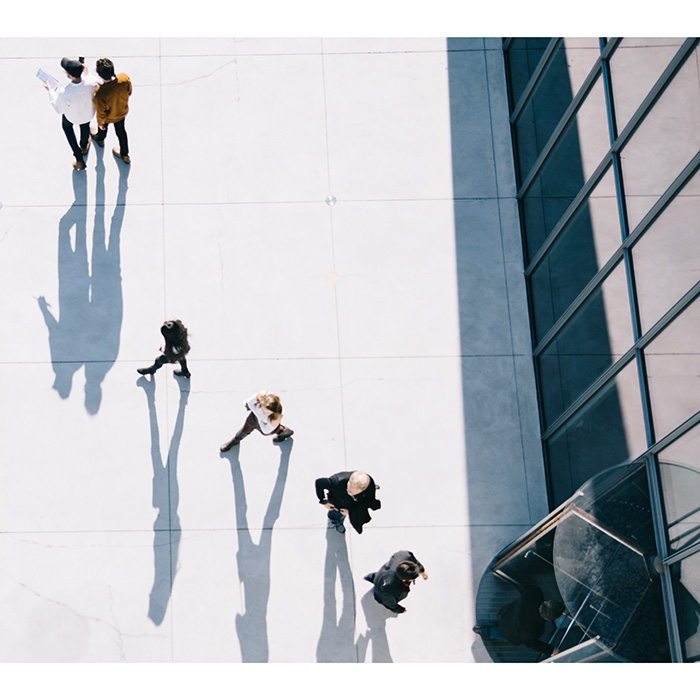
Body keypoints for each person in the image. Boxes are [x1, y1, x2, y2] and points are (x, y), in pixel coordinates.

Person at [473, 584, 565, 657]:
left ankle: (487, 626)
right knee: (496, 632)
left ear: (545, 602)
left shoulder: (535, 593)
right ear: (550, 619)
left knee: (501, 621)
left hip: (508, 613)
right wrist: (550, 650)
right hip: (510, 632)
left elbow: (524, 587)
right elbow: (530, 642)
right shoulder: (534, 629)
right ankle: (482, 631)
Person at [44, 57, 100, 170]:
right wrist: (87, 72)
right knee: (85, 126)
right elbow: (94, 81)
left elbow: (58, 109)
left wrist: (50, 90)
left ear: (69, 74)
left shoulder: (65, 92)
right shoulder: (91, 83)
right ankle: (84, 146)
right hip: (88, 115)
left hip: (72, 117)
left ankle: (79, 158)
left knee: (67, 127)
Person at [220, 391, 294, 451]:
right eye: (264, 409)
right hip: (254, 418)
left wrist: (259, 417)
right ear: (262, 403)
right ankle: (235, 441)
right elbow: (249, 404)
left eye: (268, 413)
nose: (265, 413)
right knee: (245, 429)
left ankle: (285, 431)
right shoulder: (262, 396)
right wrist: (260, 416)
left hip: (265, 425)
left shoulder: (276, 417)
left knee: (275, 429)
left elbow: (265, 431)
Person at [92, 58, 132, 164]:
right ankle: (125, 154)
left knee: (102, 130)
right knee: (121, 132)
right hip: (121, 112)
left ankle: (100, 139)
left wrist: (100, 123)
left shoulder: (100, 94)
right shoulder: (124, 78)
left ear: (99, 75)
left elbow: (101, 113)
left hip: (108, 117)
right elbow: (129, 91)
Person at [315, 470, 380, 534]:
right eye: (349, 488)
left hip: (352, 504)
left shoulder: (369, 486)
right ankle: (335, 520)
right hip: (338, 503)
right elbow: (319, 483)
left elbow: (368, 500)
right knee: (336, 513)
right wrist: (324, 501)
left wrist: (350, 512)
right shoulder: (335, 482)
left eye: (352, 492)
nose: (349, 491)